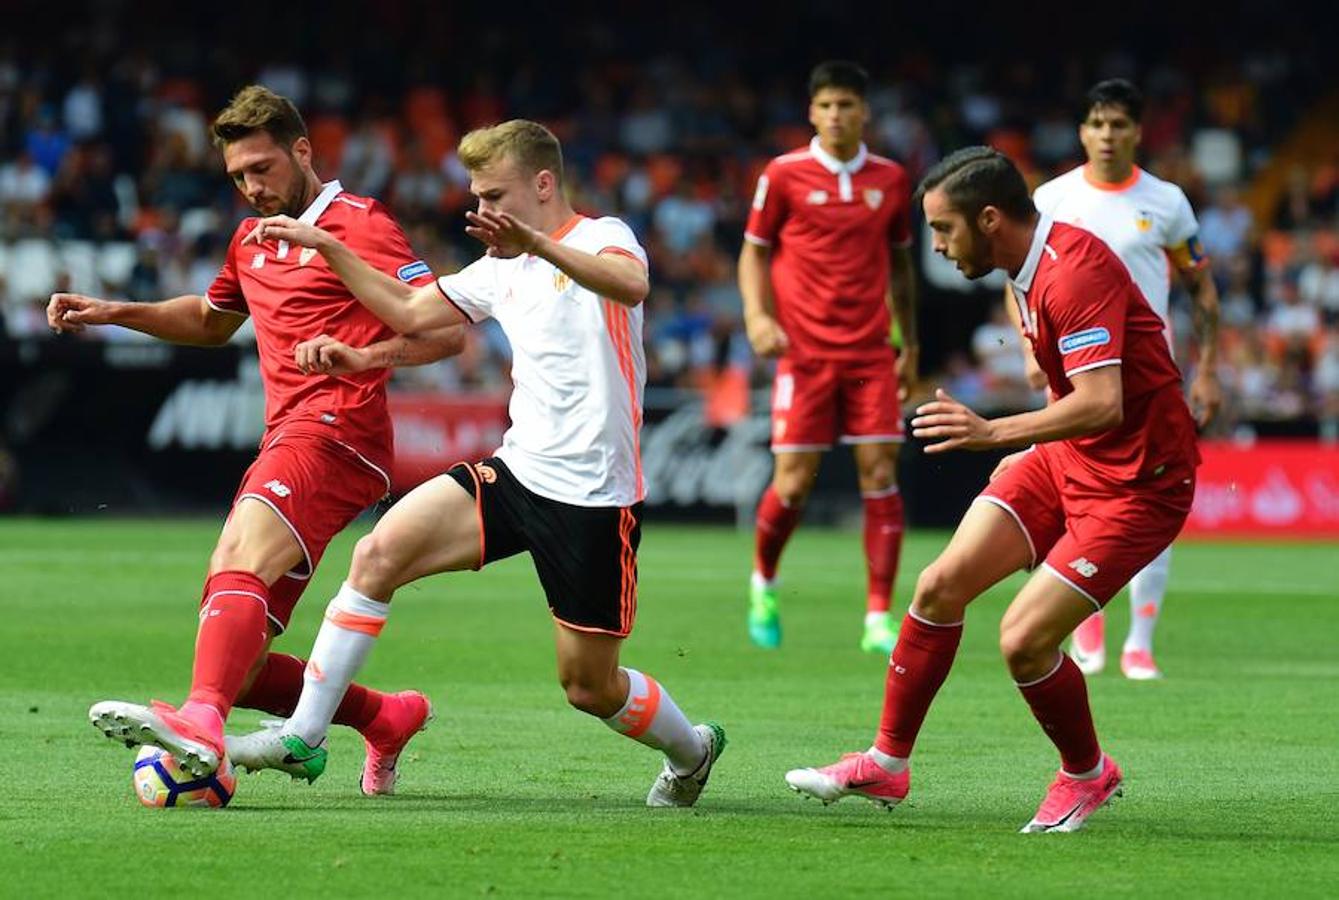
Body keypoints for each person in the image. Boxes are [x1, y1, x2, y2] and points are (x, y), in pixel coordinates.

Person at [225, 120, 726, 806]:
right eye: (477, 195)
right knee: (377, 556)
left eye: (495, 193)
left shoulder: (601, 236)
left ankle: (691, 751)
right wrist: (327, 253)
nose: (484, 209)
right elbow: (406, 306)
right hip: (515, 473)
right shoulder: (500, 269)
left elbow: (629, 286)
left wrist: (537, 244)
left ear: (543, 184)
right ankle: (305, 734)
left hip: (593, 497)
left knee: (589, 686)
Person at [55, 85, 463, 794]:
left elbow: (444, 330)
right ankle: (384, 716)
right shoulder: (250, 237)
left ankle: (200, 724)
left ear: (302, 150)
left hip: (337, 430)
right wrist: (113, 312)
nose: (252, 186)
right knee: (235, 651)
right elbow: (212, 322)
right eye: (238, 176)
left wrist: (362, 356)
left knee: (235, 561)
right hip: (295, 434)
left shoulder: (358, 225)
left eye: (263, 168)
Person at [785, 147, 1200, 833]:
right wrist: (1033, 447)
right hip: (1068, 458)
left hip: (1137, 484)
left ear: (987, 219)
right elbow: (1068, 395)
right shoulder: (1022, 271)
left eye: (944, 230)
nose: (939, 247)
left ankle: (1086, 774)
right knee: (938, 586)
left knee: (1023, 641)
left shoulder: (1074, 274)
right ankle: (886, 762)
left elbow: (1101, 401)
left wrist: (996, 433)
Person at [1023, 79, 1222, 680]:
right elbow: (1021, 278)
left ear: (1137, 131)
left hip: (1146, 380)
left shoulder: (1167, 203)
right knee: (1073, 500)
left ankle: (1139, 642)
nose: (1108, 135)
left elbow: (1201, 289)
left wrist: (1208, 370)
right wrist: (1033, 344)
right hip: (1074, 377)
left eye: (1119, 125)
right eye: (1097, 124)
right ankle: (1087, 635)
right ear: (1082, 131)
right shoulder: (1052, 198)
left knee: (1148, 500)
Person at [739, 60, 919, 654]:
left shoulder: (891, 180)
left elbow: (901, 267)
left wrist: (910, 343)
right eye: (826, 106)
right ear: (812, 112)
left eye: (847, 104)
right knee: (792, 484)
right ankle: (764, 580)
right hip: (806, 354)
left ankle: (877, 617)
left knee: (880, 474)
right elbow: (754, 252)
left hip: (871, 352)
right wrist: (758, 317)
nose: (837, 115)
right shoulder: (785, 174)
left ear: (864, 111)